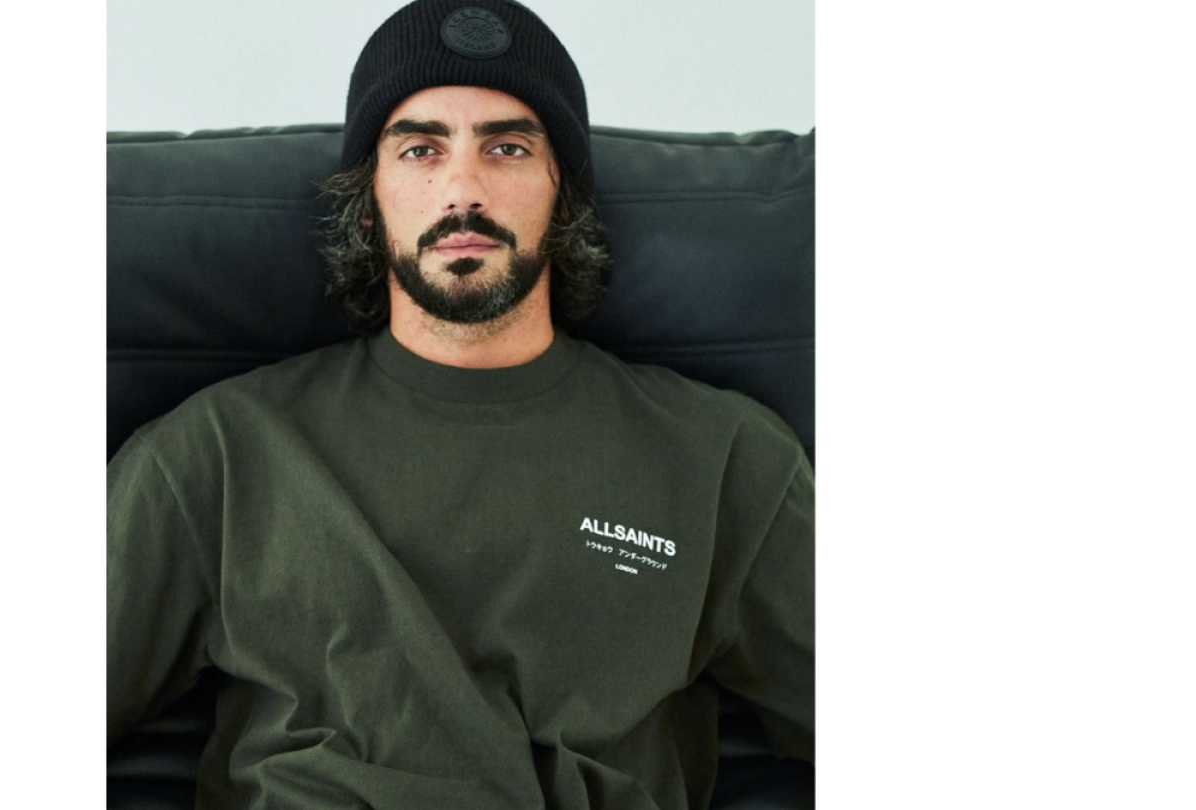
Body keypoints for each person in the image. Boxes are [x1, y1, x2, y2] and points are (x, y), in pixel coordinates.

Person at [107, 1, 814, 807]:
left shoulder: (724, 458)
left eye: (507, 148)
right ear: (369, 196)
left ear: (563, 193)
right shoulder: (218, 452)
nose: (463, 189)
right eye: (420, 149)